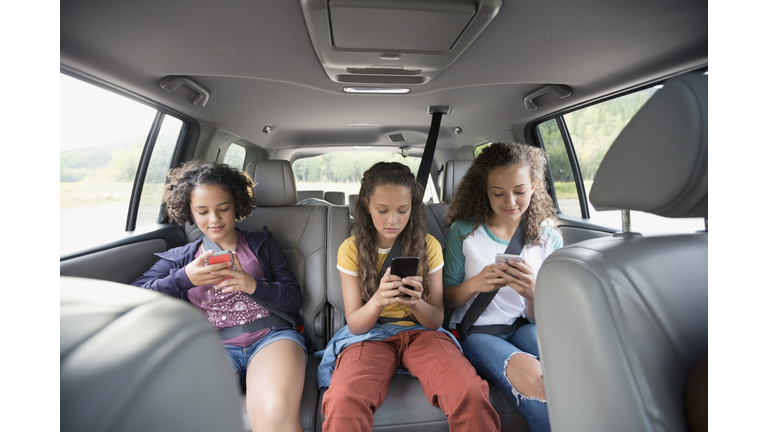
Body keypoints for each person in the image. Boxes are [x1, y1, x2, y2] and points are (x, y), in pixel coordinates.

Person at [317, 162, 500, 432]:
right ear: (367, 205)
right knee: (344, 399)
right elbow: (356, 324)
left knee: (469, 391)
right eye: (382, 210)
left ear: (413, 207)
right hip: (370, 336)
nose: (393, 220)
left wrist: (416, 303)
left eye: (403, 211)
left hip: (422, 333)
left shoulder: (429, 246)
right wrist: (379, 299)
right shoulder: (350, 249)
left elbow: (436, 319)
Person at [131, 160, 306, 432]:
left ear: (236, 205)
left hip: (272, 336)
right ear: (189, 210)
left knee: (275, 411)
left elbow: (294, 299)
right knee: (192, 415)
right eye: (202, 211)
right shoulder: (182, 259)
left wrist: (254, 285)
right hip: (214, 346)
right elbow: (134, 295)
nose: (214, 220)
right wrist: (184, 278)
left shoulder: (262, 244)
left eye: (223, 209)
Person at [443, 142, 563, 432]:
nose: (510, 201)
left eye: (520, 191)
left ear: (534, 186)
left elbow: (542, 317)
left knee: (570, 372)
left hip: (526, 326)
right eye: (498, 193)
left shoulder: (549, 238)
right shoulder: (465, 232)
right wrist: (475, 284)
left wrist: (533, 294)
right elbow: (445, 298)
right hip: (477, 332)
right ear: (484, 190)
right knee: (539, 382)